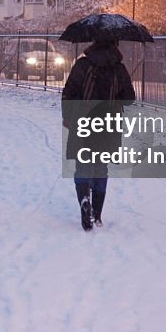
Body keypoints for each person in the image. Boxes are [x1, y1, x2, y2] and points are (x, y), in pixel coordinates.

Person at [62, 38, 136, 231]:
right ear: (115, 45)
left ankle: (84, 200)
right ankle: (97, 214)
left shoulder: (83, 65)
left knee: (83, 166)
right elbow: (129, 99)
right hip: (108, 123)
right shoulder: (118, 68)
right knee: (101, 168)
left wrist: (68, 117)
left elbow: (69, 92)